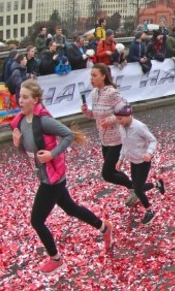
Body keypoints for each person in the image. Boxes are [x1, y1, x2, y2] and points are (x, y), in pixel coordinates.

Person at [10, 79, 114, 274]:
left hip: (53, 178)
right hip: (44, 175)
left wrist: (53, 153)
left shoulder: (44, 121)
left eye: (25, 97)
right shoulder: (21, 122)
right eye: (19, 97)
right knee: (71, 209)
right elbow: (28, 153)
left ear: (35, 100)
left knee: (36, 220)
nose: (20, 101)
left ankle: (56, 259)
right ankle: (104, 228)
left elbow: (68, 135)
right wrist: (18, 145)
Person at [81, 64, 136, 205]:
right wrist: (87, 112)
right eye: (91, 75)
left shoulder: (112, 93)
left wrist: (111, 120)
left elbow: (127, 110)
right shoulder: (94, 93)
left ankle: (135, 188)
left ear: (103, 76)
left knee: (107, 173)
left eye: (94, 75)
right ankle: (136, 188)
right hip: (104, 139)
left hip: (117, 139)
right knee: (112, 171)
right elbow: (97, 115)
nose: (91, 79)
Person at [114, 101, 165, 224]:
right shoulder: (121, 127)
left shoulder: (139, 127)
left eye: (120, 118)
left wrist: (149, 153)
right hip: (133, 161)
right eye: (117, 119)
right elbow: (124, 145)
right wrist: (120, 159)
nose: (119, 121)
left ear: (128, 115)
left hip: (143, 162)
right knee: (137, 187)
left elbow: (153, 140)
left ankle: (149, 211)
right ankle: (157, 184)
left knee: (137, 189)